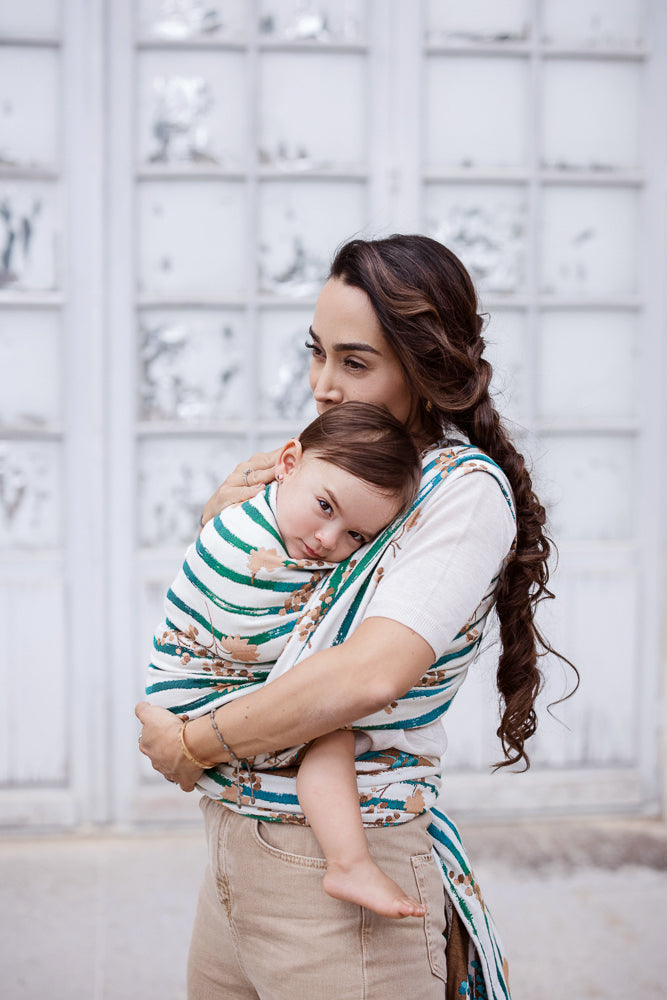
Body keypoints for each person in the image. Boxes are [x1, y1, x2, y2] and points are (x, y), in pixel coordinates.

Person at [136, 234, 577, 1000]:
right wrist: (223, 520)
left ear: (425, 368)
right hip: (235, 857)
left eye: (355, 361)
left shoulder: (458, 492)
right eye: (317, 353)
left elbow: (370, 672)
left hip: (340, 877)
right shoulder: (325, 472)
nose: (323, 386)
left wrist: (192, 744)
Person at [147, 401, 427, 919]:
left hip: (195, 703)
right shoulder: (246, 537)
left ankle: (349, 864)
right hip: (196, 693)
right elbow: (259, 628)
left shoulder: (283, 528)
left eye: (356, 538)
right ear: (290, 462)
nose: (327, 540)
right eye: (325, 507)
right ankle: (349, 862)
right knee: (334, 734)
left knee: (326, 726)